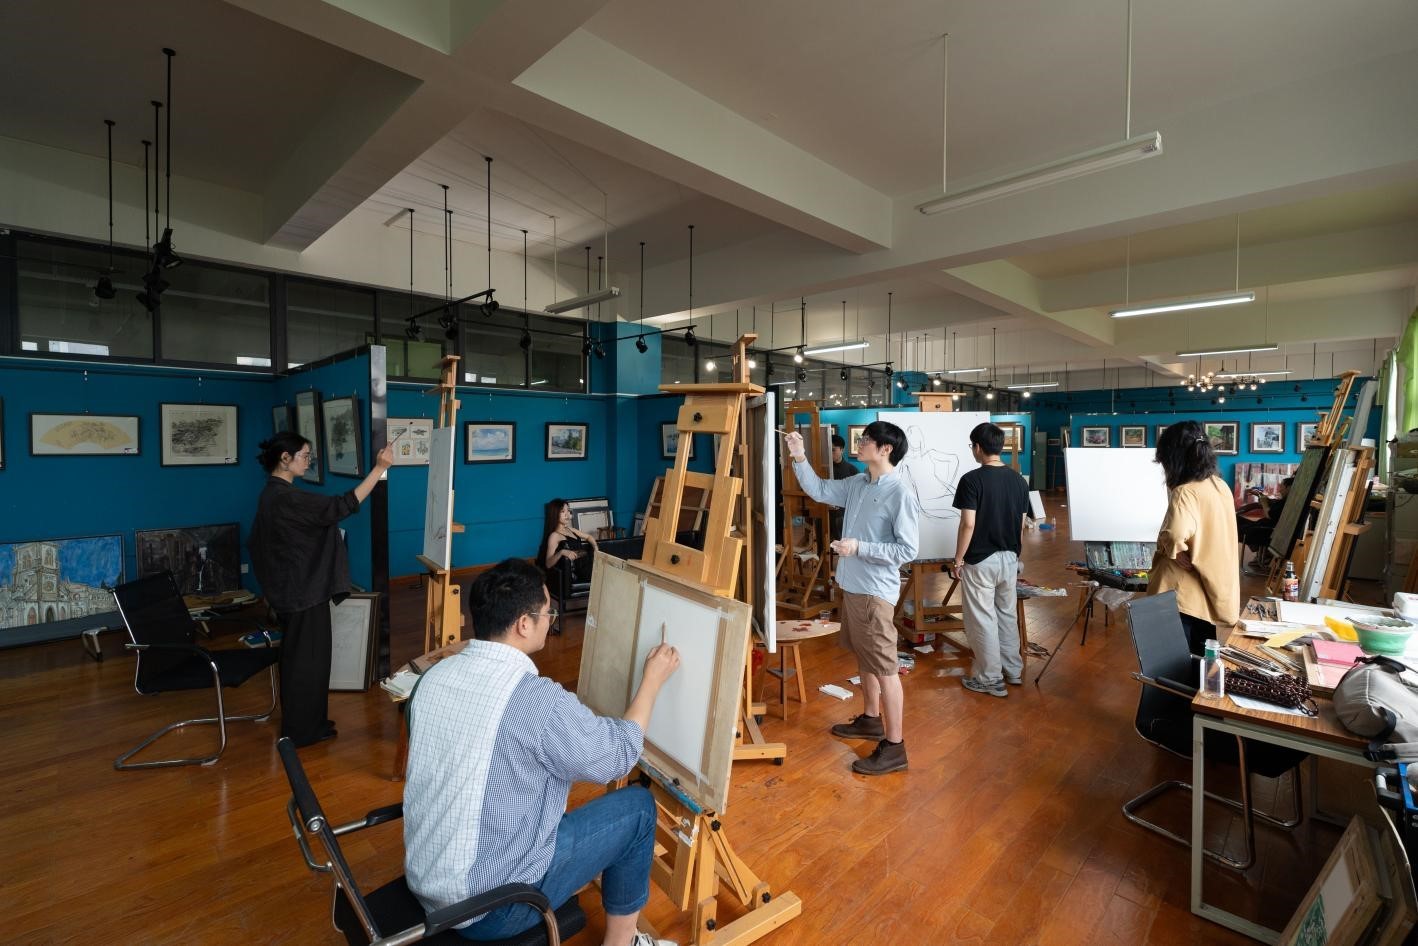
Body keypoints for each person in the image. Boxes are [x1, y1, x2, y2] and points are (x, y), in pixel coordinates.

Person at [403, 558, 680, 946]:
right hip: (492, 909)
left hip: (426, 882)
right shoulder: (537, 702)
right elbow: (618, 755)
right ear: (523, 624)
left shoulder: (433, 677)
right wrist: (651, 680)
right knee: (638, 810)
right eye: (548, 612)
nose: (551, 620)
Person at [784, 420, 918, 775]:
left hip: (875, 592)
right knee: (865, 657)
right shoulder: (858, 483)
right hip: (854, 587)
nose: (860, 443)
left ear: (885, 449)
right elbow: (818, 490)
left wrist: (859, 547)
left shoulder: (899, 493)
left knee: (886, 668)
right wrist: (799, 456)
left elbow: (907, 550)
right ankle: (872, 719)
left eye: (867, 440)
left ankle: (895, 747)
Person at [248, 431, 394, 747]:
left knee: (307, 661)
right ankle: (302, 731)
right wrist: (379, 468)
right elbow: (342, 505)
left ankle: (310, 724)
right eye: (304, 455)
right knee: (306, 664)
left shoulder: (272, 494)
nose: (308, 461)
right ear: (284, 458)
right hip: (301, 594)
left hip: (293, 591)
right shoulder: (286, 497)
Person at [1147, 420, 1241, 655]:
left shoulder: (1185, 492)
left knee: (1169, 664)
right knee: (1201, 661)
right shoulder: (1220, 486)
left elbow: (1175, 534)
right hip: (1207, 593)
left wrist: (1173, 549)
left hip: (1178, 594)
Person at [952, 422, 1031, 698]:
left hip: (980, 560)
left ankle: (990, 679)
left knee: (982, 619)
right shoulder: (1019, 481)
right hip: (1009, 557)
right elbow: (1021, 525)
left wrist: (958, 559)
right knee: (1006, 615)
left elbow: (968, 524)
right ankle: (1013, 670)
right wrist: (1015, 555)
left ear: (977, 447)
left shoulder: (971, 480)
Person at [540, 498, 599, 581]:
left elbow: (589, 537)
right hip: (578, 574)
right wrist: (561, 552)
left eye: (568, 510)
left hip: (586, 565)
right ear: (554, 514)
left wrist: (596, 548)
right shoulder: (554, 536)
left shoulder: (570, 529)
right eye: (563, 511)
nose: (567, 514)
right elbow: (548, 564)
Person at [1237, 476, 1291, 564]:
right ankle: (1259, 551)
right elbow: (1270, 502)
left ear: (1288, 488)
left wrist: (1264, 503)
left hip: (1266, 531)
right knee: (1235, 520)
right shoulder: (1283, 501)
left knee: (1236, 529)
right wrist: (1260, 495)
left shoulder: (1287, 503)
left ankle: (1259, 550)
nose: (1280, 490)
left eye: (1282, 487)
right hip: (1260, 526)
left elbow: (1269, 515)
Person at [828, 433, 860, 539]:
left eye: (833, 450)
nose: (830, 453)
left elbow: (858, 496)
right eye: (828, 450)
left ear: (842, 450)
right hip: (823, 513)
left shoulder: (852, 470)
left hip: (842, 515)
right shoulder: (822, 469)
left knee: (841, 542)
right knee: (821, 543)